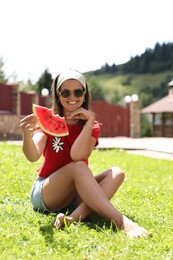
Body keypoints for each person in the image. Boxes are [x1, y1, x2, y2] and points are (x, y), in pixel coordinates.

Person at [20, 69, 150, 238]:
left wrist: (89, 121)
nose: (72, 97)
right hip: (46, 193)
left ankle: (72, 218)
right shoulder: (47, 123)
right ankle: (122, 222)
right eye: (65, 92)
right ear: (58, 96)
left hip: (74, 197)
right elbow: (33, 156)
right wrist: (26, 135)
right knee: (78, 167)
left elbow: (77, 154)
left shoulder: (92, 126)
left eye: (78, 92)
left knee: (117, 173)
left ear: (85, 94)